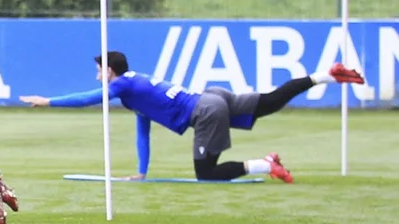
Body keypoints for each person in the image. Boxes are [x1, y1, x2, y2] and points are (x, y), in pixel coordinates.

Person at [19, 51, 366, 182]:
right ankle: (326, 74)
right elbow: (144, 130)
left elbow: (89, 99)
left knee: (207, 173)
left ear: (109, 71)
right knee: (271, 101)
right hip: (212, 97)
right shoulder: (133, 89)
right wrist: (142, 171)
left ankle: (265, 164)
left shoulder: (121, 85)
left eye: (99, 71)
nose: (97, 76)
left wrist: (47, 101)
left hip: (205, 111)